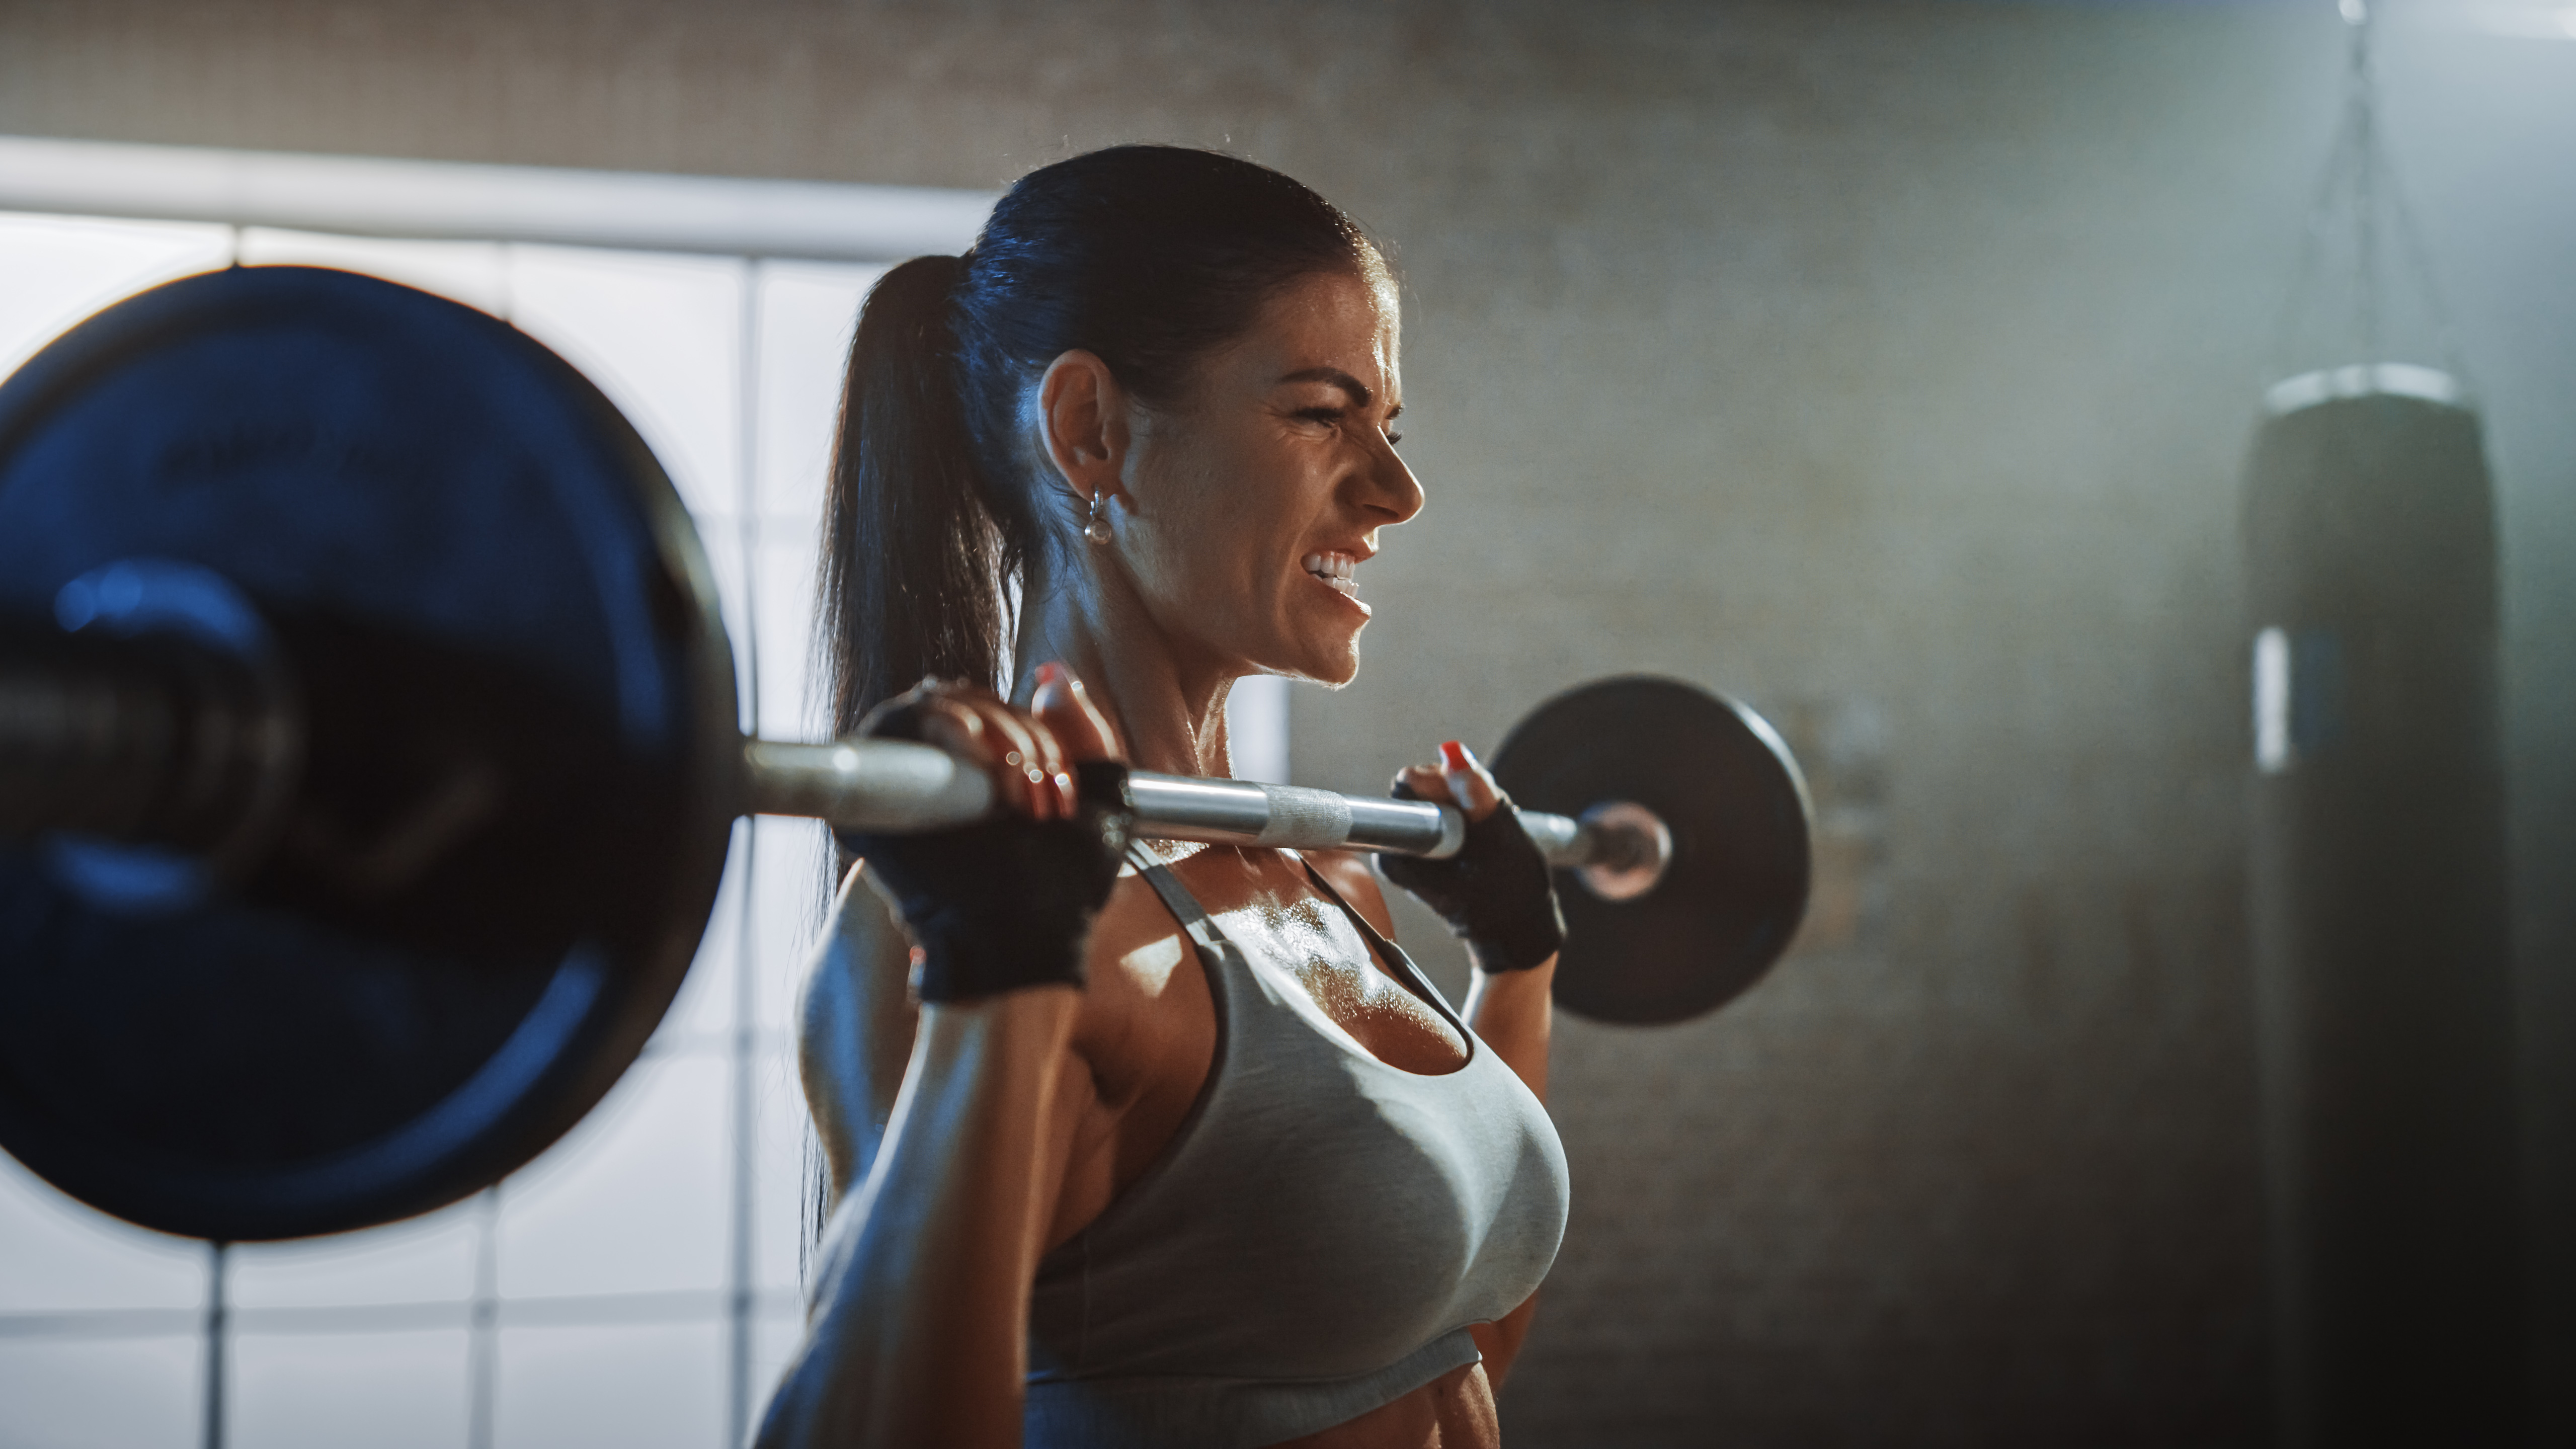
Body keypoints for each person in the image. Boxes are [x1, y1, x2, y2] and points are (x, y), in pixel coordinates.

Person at [755, 145, 1570, 1449]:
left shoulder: (1332, 881)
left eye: (1391, 427)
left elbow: (1446, 1344)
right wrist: (1001, 977)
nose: (1398, 492)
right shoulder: (950, 932)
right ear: (1093, 433)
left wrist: (1515, 965)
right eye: (1322, 414)